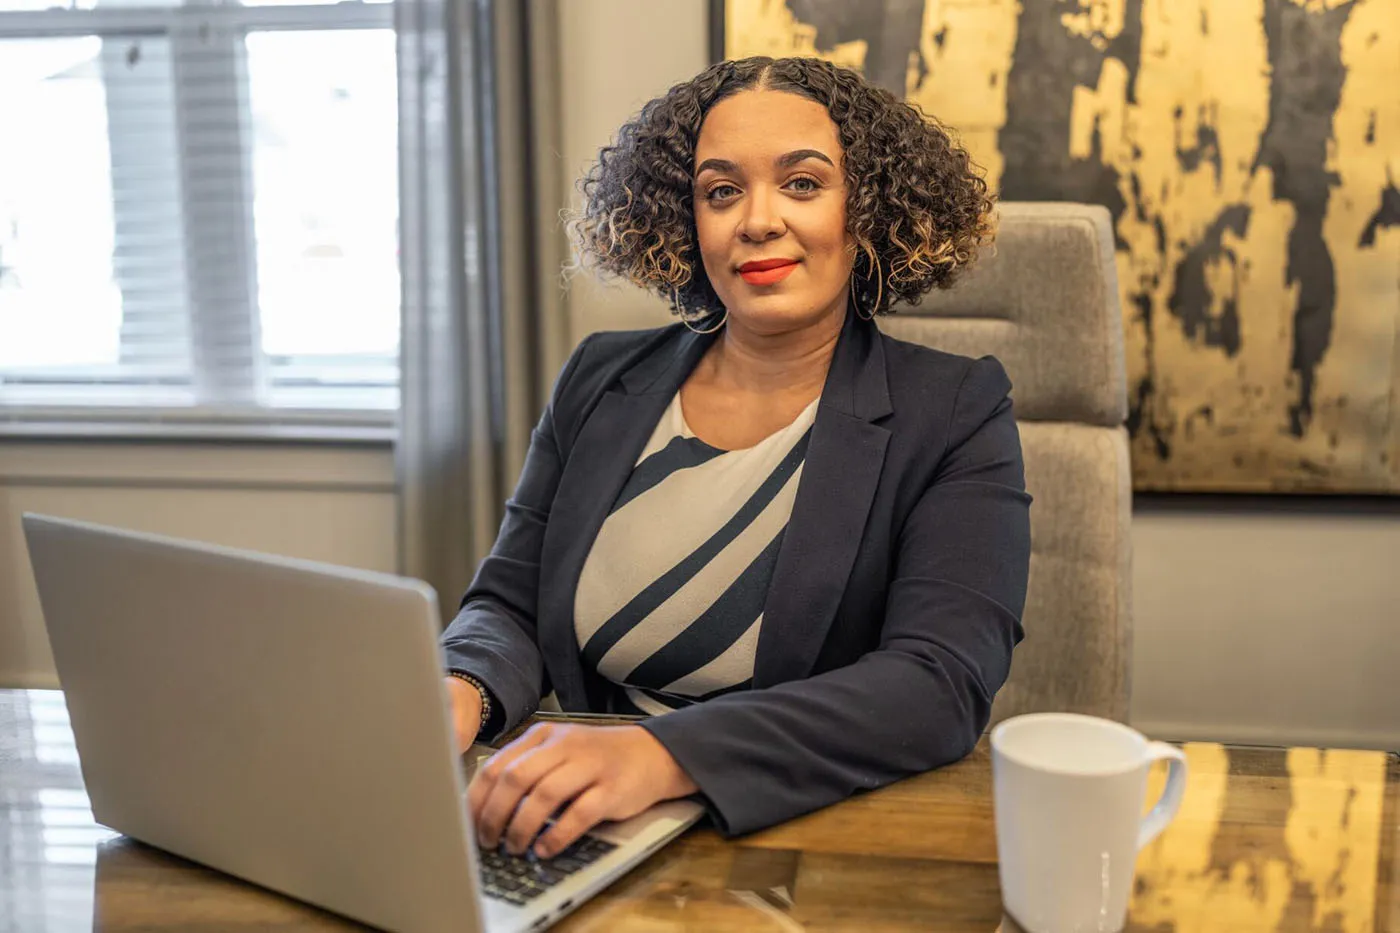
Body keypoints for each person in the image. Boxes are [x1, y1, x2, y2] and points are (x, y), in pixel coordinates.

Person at [440, 55, 1031, 859]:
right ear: (686, 222)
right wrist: (460, 688)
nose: (756, 220)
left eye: (802, 183)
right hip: (577, 826)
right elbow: (509, 602)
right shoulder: (599, 377)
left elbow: (939, 683)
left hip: (803, 848)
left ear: (866, 212)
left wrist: (667, 755)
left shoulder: (956, 410)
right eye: (722, 191)